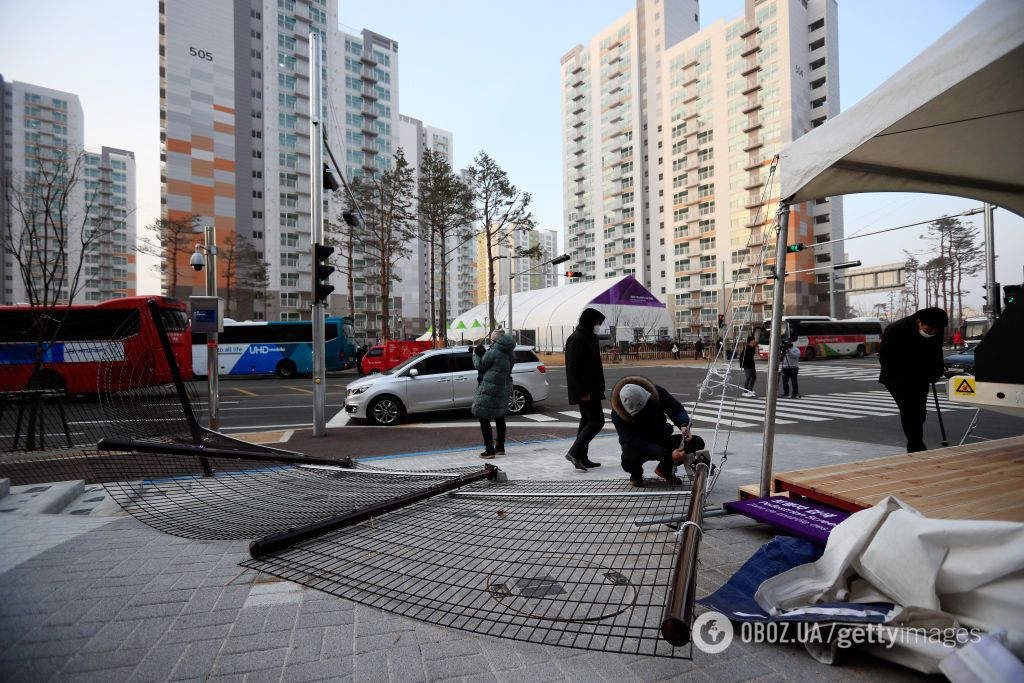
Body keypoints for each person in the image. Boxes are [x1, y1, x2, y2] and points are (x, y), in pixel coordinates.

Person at [610, 375, 705, 487]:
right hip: (640, 446)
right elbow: (634, 440)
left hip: (661, 437)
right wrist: (668, 455)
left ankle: (664, 469)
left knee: (696, 442)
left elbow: (675, 409)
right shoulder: (617, 414)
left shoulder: (656, 392)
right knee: (628, 458)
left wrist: (683, 424)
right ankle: (636, 474)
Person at [878, 307, 948, 452]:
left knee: (920, 412)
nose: (933, 333)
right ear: (919, 322)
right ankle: (915, 446)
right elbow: (885, 357)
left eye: (936, 330)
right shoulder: (896, 330)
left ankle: (915, 439)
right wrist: (907, 372)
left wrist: (936, 371)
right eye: (929, 329)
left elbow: (936, 351)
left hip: (921, 375)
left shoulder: (937, 330)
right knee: (909, 410)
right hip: (897, 377)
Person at [564, 307, 607, 471]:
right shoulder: (577, 339)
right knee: (597, 421)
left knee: (587, 420)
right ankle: (574, 452)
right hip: (585, 391)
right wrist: (583, 392)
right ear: (590, 321)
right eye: (597, 322)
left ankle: (582, 456)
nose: (598, 326)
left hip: (593, 389)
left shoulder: (589, 337)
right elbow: (574, 368)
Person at [472, 328, 515, 459]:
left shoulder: (494, 352)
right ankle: (500, 447)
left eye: (492, 340)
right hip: (503, 387)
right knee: (499, 417)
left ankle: (489, 449)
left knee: (483, 417)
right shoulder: (510, 353)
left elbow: (480, 366)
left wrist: (475, 355)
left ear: (495, 340)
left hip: (490, 388)